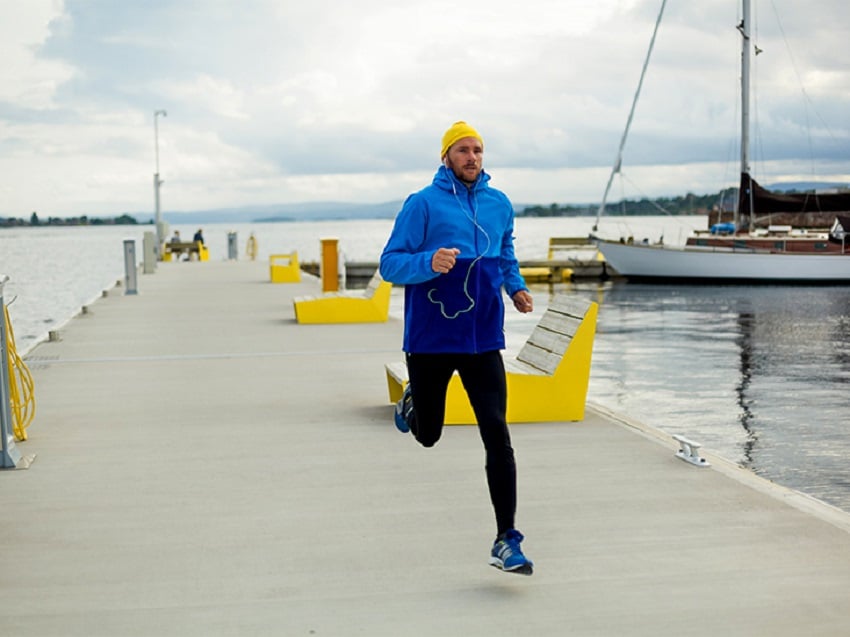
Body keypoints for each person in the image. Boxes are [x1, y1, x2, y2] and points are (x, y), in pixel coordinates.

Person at [379, 121, 535, 575]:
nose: (472, 158)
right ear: (446, 156)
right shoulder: (422, 204)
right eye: (463, 150)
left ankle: (507, 539)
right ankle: (413, 403)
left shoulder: (498, 203)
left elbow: (505, 253)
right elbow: (390, 263)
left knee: (497, 434)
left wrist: (516, 288)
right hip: (430, 340)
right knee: (429, 435)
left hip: (483, 339)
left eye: (478, 150)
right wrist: (428, 261)